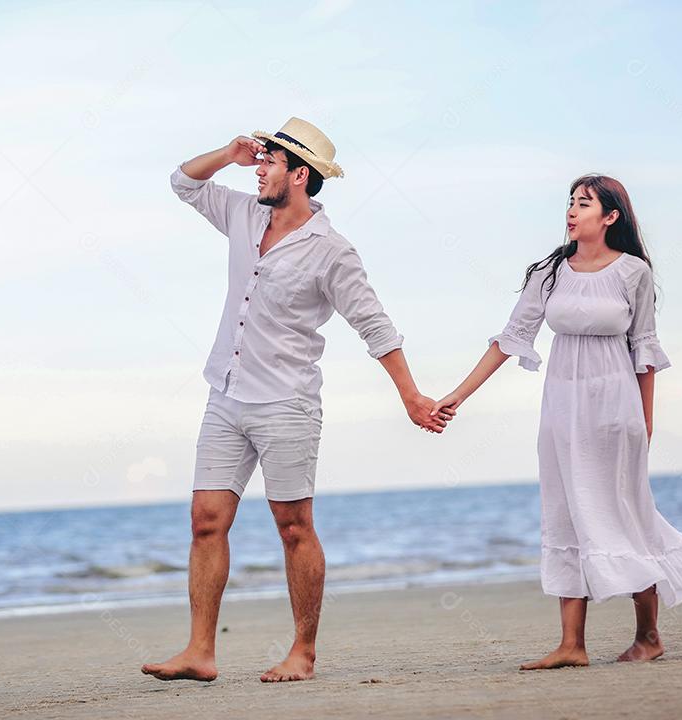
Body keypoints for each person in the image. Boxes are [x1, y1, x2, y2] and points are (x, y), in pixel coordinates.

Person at [141, 117, 453, 683]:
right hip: (226, 394)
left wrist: (411, 397)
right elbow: (182, 183)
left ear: (300, 174)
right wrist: (229, 153)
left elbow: (375, 327)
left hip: (286, 403)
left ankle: (303, 651)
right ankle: (200, 652)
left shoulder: (332, 251)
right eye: (259, 160)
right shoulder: (243, 212)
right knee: (206, 520)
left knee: (293, 527)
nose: (259, 168)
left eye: (269, 162)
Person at [430, 174, 682, 670]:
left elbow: (644, 352)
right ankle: (571, 645)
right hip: (562, 408)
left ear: (610, 217)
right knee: (565, 511)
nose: (571, 210)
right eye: (569, 202)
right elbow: (510, 338)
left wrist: (644, 424)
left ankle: (648, 636)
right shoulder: (550, 272)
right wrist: (458, 394)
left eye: (584, 204)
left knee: (624, 515)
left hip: (616, 409)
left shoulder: (633, 273)